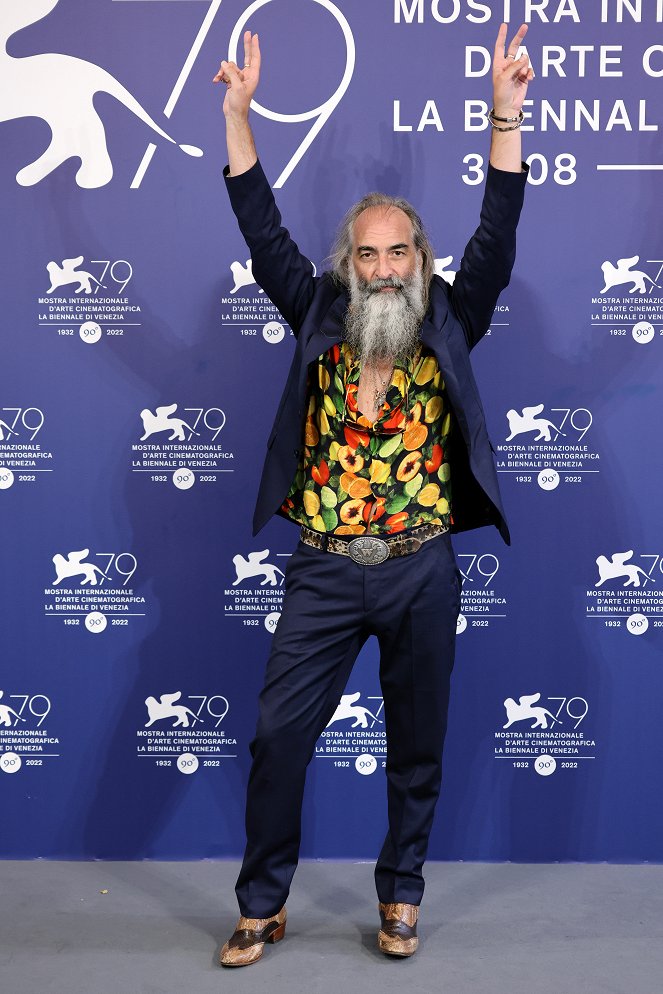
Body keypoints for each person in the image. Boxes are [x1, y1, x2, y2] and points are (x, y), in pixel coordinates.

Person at [213, 22, 533, 966]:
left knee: (417, 749)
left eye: (399, 253)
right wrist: (238, 117)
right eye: (368, 255)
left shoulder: (449, 314)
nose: (384, 268)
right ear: (346, 263)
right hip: (320, 569)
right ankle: (262, 904)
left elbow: (499, 231)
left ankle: (402, 898)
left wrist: (504, 116)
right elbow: (257, 222)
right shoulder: (314, 310)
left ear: (418, 259)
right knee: (277, 740)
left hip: (419, 570)